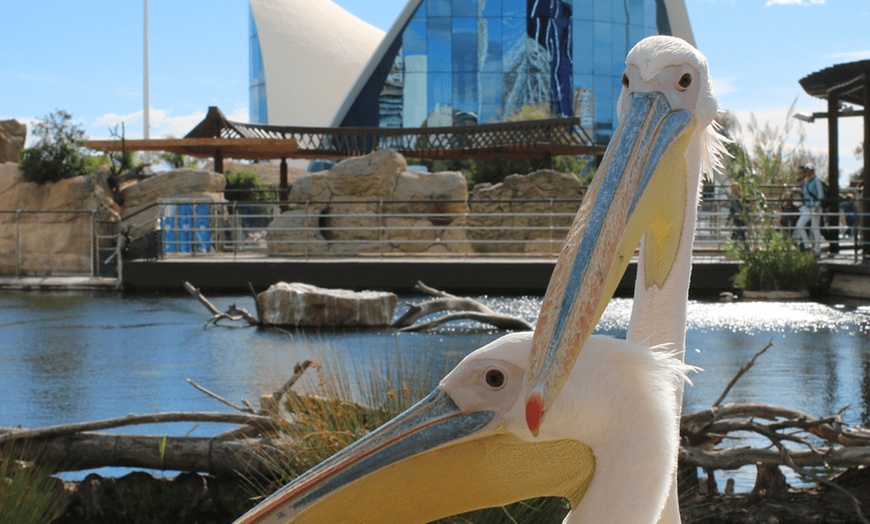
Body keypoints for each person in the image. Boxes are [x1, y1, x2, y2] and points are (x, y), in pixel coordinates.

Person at [793, 163, 825, 255]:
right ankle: (807, 246)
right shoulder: (806, 182)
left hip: (815, 207)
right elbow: (805, 193)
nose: (808, 172)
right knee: (800, 225)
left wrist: (816, 206)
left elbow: (821, 195)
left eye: (809, 171)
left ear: (812, 171)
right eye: (806, 171)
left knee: (815, 227)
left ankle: (817, 249)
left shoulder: (816, 181)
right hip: (808, 207)